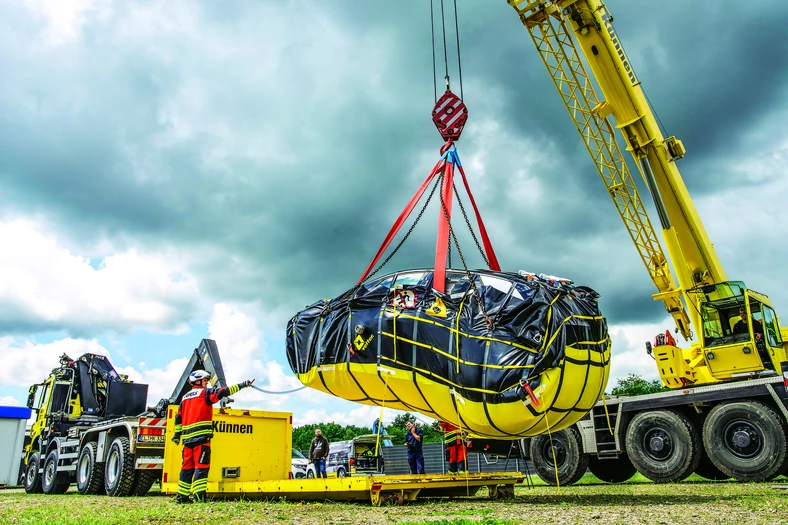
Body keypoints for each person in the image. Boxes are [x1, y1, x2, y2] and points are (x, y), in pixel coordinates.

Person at [172, 370, 254, 503]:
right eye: (205, 380)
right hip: (201, 439)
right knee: (201, 467)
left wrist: (177, 434)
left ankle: (182, 497)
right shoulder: (205, 393)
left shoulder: (185, 398)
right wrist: (242, 384)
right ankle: (199, 497)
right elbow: (222, 392)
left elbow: (178, 417)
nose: (207, 383)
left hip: (187, 441)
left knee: (187, 468)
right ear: (197, 381)